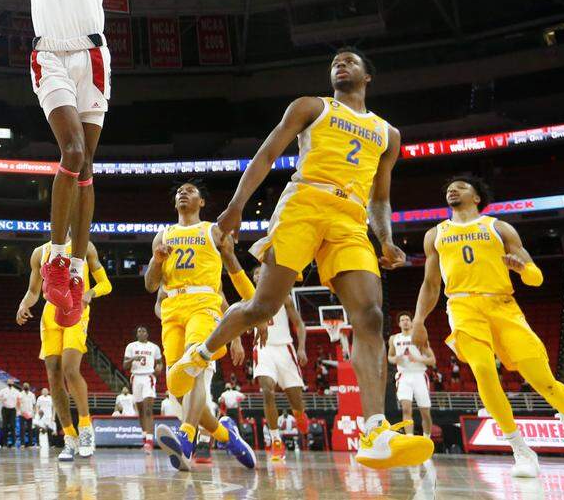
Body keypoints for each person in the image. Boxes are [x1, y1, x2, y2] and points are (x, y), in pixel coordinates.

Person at [170, 49, 434, 470]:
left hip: (350, 218)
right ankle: (201, 353)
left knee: (370, 317)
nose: (340, 64)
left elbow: (380, 197)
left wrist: (384, 238)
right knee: (263, 307)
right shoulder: (312, 106)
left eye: (350, 61)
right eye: (335, 61)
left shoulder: (388, 134)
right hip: (304, 203)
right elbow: (266, 155)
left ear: (368, 77)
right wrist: (237, 206)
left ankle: (376, 429)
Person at [0, 0, 110, 322]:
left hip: (94, 54)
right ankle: (56, 256)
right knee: (70, 149)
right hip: (51, 56)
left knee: (87, 163)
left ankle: (74, 271)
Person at [411, 175, 564, 477]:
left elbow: (537, 278)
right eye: (449, 187)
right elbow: (430, 284)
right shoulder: (435, 235)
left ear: (477, 197)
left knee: (542, 380)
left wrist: (524, 269)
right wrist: (418, 320)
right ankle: (520, 448)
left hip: (503, 306)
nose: (452, 189)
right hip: (463, 306)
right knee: (482, 370)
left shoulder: (498, 227)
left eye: (461, 186)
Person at [144, 182, 255, 472]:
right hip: (172, 311)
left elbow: (231, 268)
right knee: (177, 387)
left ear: (202, 202)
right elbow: (151, 285)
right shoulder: (163, 235)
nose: (182, 192)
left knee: (195, 360)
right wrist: (157, 261)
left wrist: (250, 313)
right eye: (179, 190)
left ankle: (187, 436)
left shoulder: (212, 230)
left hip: (204, 304)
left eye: (190, 190)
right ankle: (225, 435)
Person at [16, 236, 112, 460]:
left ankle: (86, 427)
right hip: (51, 314)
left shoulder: (84, 245)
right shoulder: (40, 252)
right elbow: (33, 292)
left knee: (70, 368)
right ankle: (70, 437)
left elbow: (106, 284)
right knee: (53, 375)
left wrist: (90, 293)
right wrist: (23, 304)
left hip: (77, 310)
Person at [250, 265, 310, 462]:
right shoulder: (249, 299)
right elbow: (243, 325)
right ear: (253, 279)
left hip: (285, 347)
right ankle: (275, 440)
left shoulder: (283, 296)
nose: (258, 274)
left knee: (295, 399)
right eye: (255, 273)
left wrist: (301, 347)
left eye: (261, 271)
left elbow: (300, 324)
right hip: (263, 348)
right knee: (267, 390)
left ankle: (299, 414)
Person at [388, 311, 435, 437]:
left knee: (425, 412)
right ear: (399, 324)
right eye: (402, 320)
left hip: (419, 375)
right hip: (404, 376)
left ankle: (427, 437)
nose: (405, 321)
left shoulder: (419, 337)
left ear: (412, 322)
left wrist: (419, 359)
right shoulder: (394, 339)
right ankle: (409, 438)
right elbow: (390, 356)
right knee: (406, 409)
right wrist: (395, 359)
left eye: (407, 319)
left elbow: (432, 360)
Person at [123, 325, 162, 450]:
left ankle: (150, 440)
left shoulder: (154, 347)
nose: (141, 332)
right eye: (139, 331)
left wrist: (158, 369)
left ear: (147, 334)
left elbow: (160, 362)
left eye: (143, 330)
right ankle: (144, 437)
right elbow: (124, 366)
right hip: (135, 377)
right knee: (140, 410)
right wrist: (133, 358)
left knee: (148, 409)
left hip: (148, 378)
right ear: (136, 334)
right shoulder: (131, 346)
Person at [0, 379, 20, 448]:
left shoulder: (16, 391)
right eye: (8, 381)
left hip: (12, 410)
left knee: (12, 426)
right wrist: (1, 399)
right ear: (7, 382)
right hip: (5, 409)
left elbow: (19, 400)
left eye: (11, 381)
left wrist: (18, 410)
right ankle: (5, 444)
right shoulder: (3, 390)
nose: (10, 382)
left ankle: (13, 444)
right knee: (4, 426)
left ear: (13, 382)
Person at [18, 382, 36, 446]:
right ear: (23, 387)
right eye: (25, 385)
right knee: (22, 429)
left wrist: (34, 413)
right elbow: (18, 404)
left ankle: (30, 444)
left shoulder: (32, 395)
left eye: (27, 386)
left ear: (29, 387)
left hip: (30, 414)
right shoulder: (20, 394)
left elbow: (34, 405)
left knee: (30, 429)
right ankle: (22, 444)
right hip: (22, 413)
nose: (26, 386)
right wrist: (20, 411)